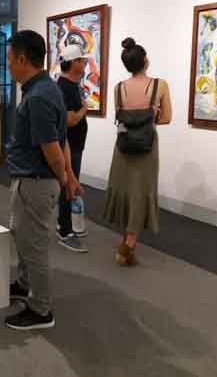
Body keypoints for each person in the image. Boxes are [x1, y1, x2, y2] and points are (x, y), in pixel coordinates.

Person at [5, 30, 82, 331]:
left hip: (36, 182)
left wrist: (64, 179)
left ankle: (41, 310)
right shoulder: (48, 88)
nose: (8, 66)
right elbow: (62, 139)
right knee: (22, 236)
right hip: (32, 180)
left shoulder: (38, 96)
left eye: (10, 60)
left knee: (34, 245)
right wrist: (69, 176)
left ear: (23, 60)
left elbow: (52, 149)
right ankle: (25, 284)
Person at [103, 37, 172, 266]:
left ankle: (127, 240)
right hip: (147, 146)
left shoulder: (118, 88)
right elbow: (166, 118)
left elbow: (121, 116)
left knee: (125, 189)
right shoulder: (160, 85)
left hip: (123, 146)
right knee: (142, 191)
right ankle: (129, 244)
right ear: (145, 61)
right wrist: (151, 117)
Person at [56, 44, 90, 253]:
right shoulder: (64, 88)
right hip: (69, 147)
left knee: (69, 184)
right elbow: (70, 120)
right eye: (81, 60)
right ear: (73, 63)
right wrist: (85, 108)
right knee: (68, 185)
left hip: (75, 145)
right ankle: (65, 230)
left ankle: (65, 223)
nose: (84, 63)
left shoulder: (70, 85)